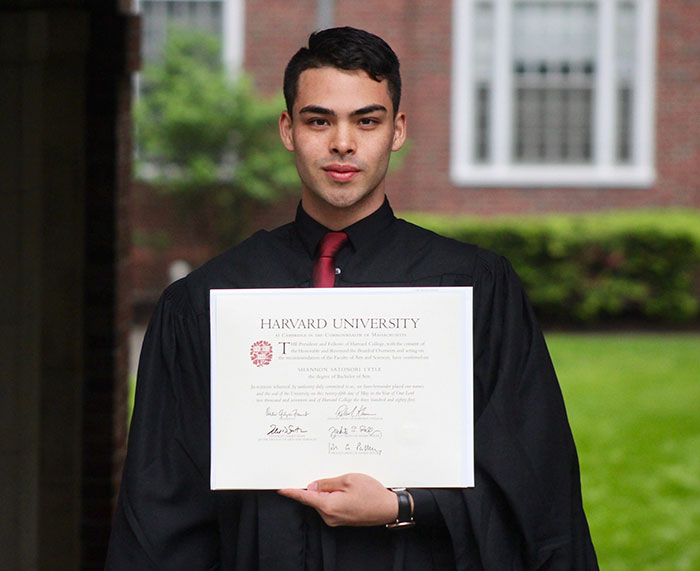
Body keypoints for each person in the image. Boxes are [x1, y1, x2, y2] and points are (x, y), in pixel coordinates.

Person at [106, 27, 597, 570]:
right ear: (288, 130)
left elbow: (535, 486)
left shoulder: (476, 288)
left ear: (397, 130)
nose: (343, 142)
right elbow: (162, 512)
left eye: (367, 120)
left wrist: (402, 505)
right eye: (319, 121)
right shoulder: (205, 304)